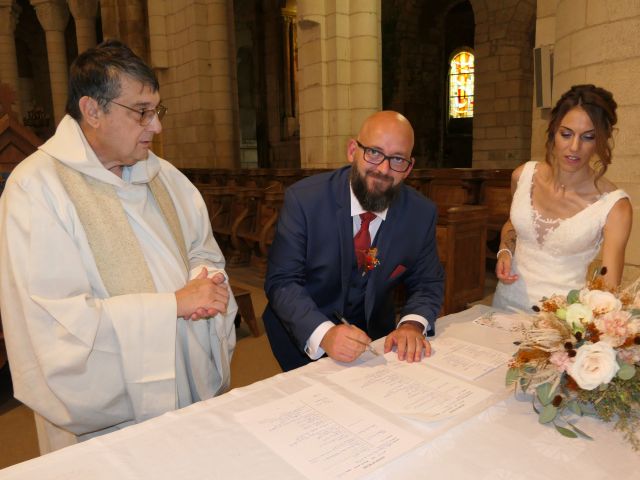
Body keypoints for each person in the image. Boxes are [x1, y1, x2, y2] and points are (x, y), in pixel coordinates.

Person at [0, 40, 237, 453]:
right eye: (142, 112)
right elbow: (55, 321)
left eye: (156, 111)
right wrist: (172, 306)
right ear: (92, 110)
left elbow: (202, 249)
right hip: (107, 424)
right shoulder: (36, 188)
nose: (156, 127)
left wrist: (205, 282)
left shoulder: (164, 176)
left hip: (186, 374)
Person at [263, 111, 444, 371]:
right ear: (352, 150)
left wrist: (411, 324)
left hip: (375, 339)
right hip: (303, 332)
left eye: (397, 159)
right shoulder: (304, 201)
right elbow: (282, 282)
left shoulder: (421, 213)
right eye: (374, 152)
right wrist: (324, 333)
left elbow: (428, 282)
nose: (383, 169)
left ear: (409, 168)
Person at [493, 84, 632, 312]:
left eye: (588, 137)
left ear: (601, 140)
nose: (574, 147)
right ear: (553, 131)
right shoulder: (523, 175)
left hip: (561, 322)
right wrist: (505, 250)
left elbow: (609, 288)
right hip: (504, 304)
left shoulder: (614, 206)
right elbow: (513, 224)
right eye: (566, 134)